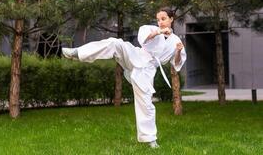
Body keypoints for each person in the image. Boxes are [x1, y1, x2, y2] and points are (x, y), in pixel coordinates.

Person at [62, 8, 186, 148]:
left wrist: (179, 51)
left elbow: (176, 63)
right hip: (136, 56)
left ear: (171, 19)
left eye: (163, 19)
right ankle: (79, 52)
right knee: (116, 43)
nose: (160, 22)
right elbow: (143, 39)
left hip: (147, 70)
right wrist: (159, 31)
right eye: (158, 19)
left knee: (146, 104)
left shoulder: (175, 41)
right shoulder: (151, 29)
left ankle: (150, 139)